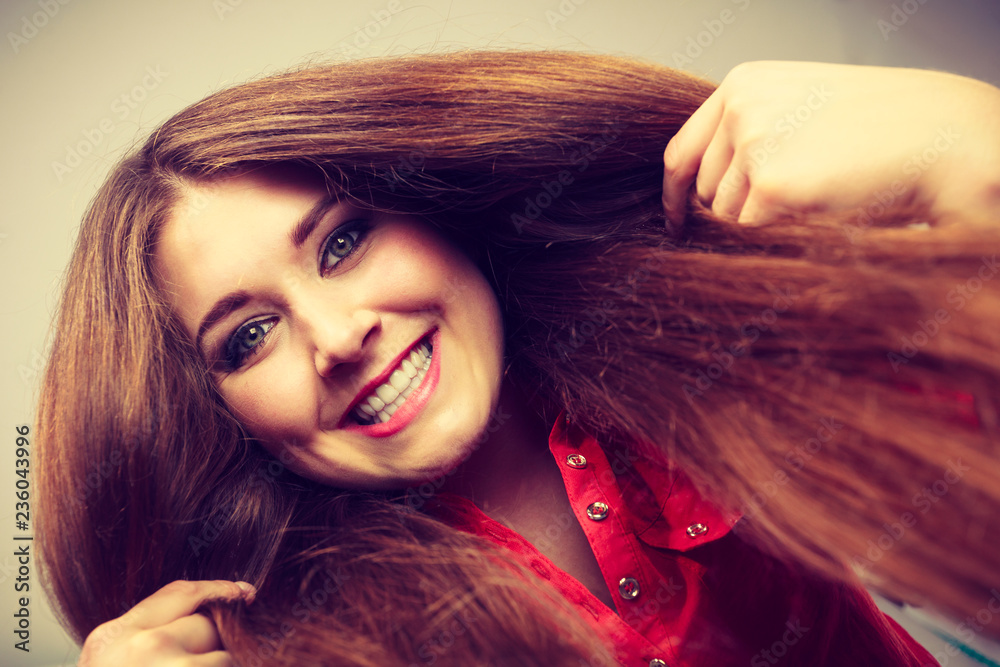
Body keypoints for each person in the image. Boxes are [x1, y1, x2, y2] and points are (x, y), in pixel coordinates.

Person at [35, 51, 1000, 666]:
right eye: (248, 337)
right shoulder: (286, 644)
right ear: (224, 416)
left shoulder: (707, 343)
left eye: (341, 243)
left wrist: (971, 144)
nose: (335, 338)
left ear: (436, 214)